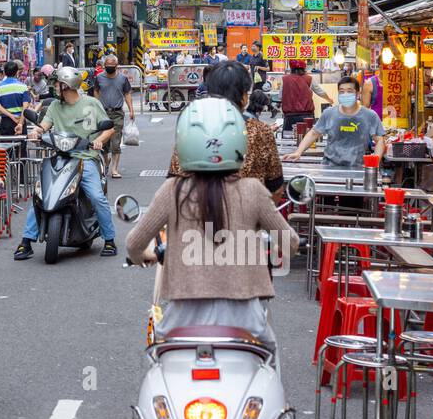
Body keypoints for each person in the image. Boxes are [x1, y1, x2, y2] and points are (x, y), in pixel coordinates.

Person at [126, 97, 299, 350]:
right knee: (268, 363)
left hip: (182, 318)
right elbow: (290, 242)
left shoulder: (172, 190)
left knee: (160, 367)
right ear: (239, 141)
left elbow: (134, 243)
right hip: (246, 320)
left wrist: (143, 256)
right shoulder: (253, 190)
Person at [13, 66, 118, 260]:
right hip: (60, 156)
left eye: (58, 83)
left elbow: (108, 128)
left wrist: (98, 140)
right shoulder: (54, 106)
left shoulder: (91, 104)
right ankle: (26, 242)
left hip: (85, 157)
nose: (55, 87)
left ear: (66, 85)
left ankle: (109, 240)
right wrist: (36, 132)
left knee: (96, 196)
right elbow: (44, 126)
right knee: (40, 194)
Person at [170, 61, 285, 198]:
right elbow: (276, 189)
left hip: (195, 214)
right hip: (246, 213)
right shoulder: (261, 130)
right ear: (244, 98)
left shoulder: (191, 131)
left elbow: (172, 182)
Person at [286, 73, 387, 169]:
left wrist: (375, 162)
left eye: (349, 91)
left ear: (357, 93)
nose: (345, 94)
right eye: (341, 91)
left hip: (357, 167)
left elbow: (380, 141)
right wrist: (298, 152)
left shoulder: (370, 116)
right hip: (329, 166)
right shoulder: (329, 113)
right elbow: (313, 133)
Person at [91, 52, 136, 179]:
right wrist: (96, 107)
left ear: (117, 66)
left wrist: (131, 110)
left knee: (116, 143)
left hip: (117, 113)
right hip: (102, 114)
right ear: (104, 65)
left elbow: (127, 94)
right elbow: (96, 91)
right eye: (107, 65)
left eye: (112, 65)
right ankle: (106, 161)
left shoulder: (122, 79)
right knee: (103, 143)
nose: (110, 67)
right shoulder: (99, 78)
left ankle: (114, 169)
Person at [280, 60, 333, 131]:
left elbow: (280, 96)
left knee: (289, 138)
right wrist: (329, 99)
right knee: (308, 138)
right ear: (304, 68)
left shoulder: (284, 79)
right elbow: (320, 92)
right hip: (307, 117)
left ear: (291, 68)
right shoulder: (309, 78)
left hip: (290, 117)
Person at [0, 60, 30, 136]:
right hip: (21, 120)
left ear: (4, 73)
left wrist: (11, 116)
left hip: (6, 122)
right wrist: (20, 123)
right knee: (21, 146)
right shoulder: (23, 87)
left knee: (5, 146)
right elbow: (25, 107)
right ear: (17, 72)